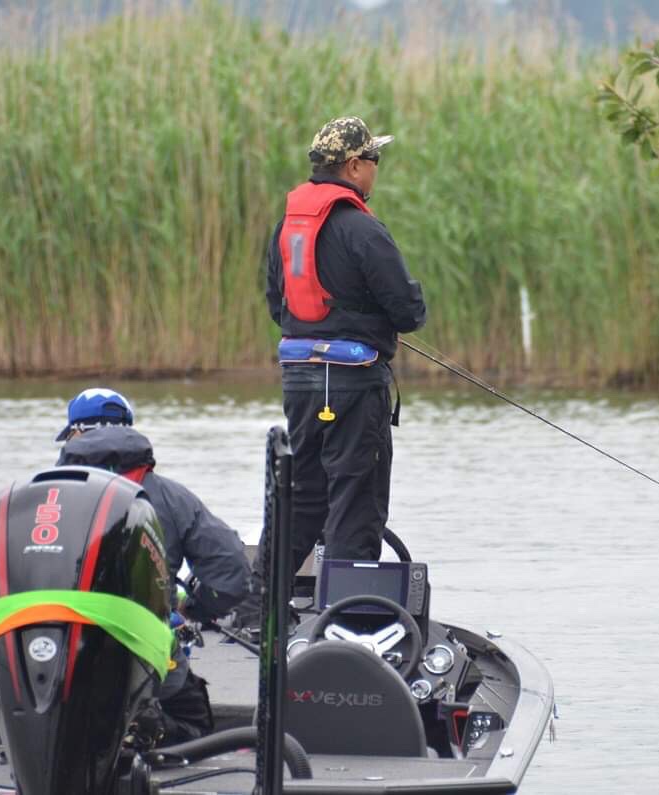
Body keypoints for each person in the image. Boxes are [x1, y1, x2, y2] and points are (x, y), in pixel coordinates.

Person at [264, 116, 426, 576]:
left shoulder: (287, 228)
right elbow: (409, 312)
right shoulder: (362, 229)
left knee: (307, 498)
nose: (377, 167)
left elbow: (279, 305)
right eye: (374, 159)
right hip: (354, 386)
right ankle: (345, 621)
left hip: (300, 382)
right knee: (358, 501)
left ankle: (259, 607)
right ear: (354, 166)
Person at [53, 387, 252, 743]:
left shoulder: (47, 497)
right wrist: (193, 608)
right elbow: (232, 573)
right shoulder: (172, 497)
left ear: (76, 436)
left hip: (56, 656)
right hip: (144, 655)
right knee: (195, 722)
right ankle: (142, 729)